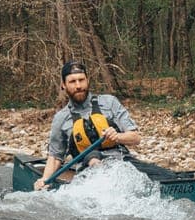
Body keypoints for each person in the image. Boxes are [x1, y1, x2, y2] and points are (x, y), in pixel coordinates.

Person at [34, 60, 143, 190]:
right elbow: (55, 156)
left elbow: (136, 138)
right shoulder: (61, 118)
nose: (78, 85)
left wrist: (117, 136)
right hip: (88, 174)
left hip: (122, 164)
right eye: (72, 82)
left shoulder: (110, 102)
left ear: (88, 80)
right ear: (63, 85)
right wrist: (45, 179)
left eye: (81, 80)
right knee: (92, 158)